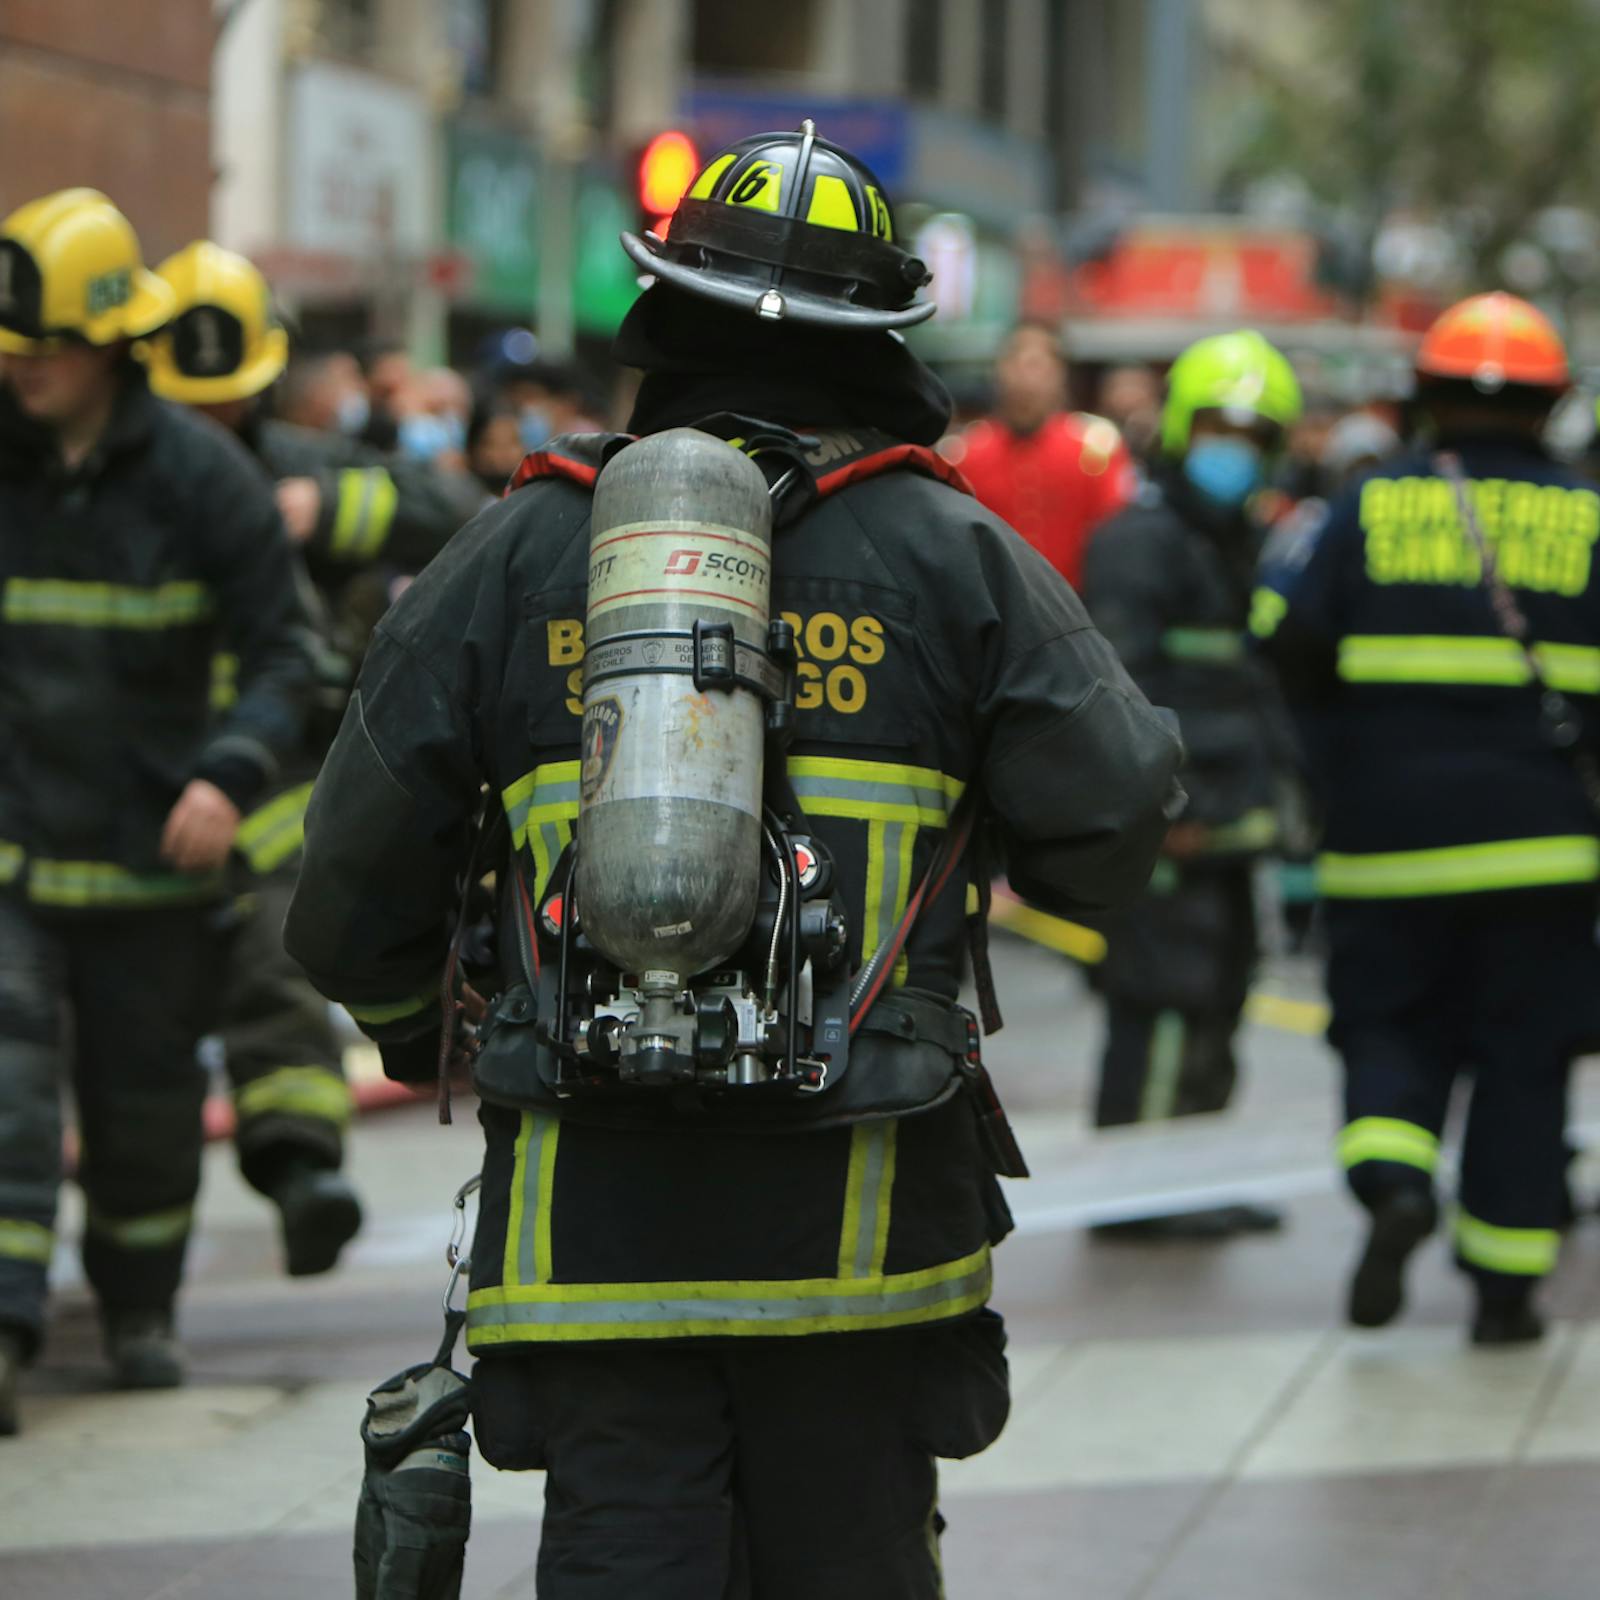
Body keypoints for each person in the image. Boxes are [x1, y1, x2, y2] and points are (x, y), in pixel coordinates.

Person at [285, 124, 1182, 1595]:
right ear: (882, 339)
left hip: (594, 1224)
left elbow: (348, 874)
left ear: (662, 317)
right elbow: (1123, 804)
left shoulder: (517, 552)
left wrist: (412, 1018)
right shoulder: (954, 556)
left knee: (622, 1556)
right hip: (865, 1224)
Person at [0, 191, 309, 1429]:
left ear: (111, 343)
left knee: (142, 1114)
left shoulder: (203, 482)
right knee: (6, 1090)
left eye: (41, 348)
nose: (19, 369)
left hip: (150, 866)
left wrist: (226, 775)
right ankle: (9, 1323)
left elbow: (285, 653)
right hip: (15, 856)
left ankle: (138, 1309)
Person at [1257, 292, 1600, 1344]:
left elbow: (1283, 638)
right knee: (1522, 1061)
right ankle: (1502, 1297)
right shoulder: (1589, 516)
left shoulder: (1364, 505)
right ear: (1549, 404)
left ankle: (1394, 1182)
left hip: (1384, 846)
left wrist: (1336, 766)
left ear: (1425, 397)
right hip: (1543, 851)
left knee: (1388, 1027)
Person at [139, 240, 481, 1277]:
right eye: (187, 407)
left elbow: (460, 519)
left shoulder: (301, 467)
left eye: (229, 404)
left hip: (279, 774)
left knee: (279, 958)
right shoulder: (109, 482)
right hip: (134, 775)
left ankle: (299, 1171)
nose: (210, 430)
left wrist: (327, 513)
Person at [1079, 330, 1305, 1239]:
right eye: (1219, 428)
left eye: (1255, 435)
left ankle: (1194, 1178)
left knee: (1218, 994)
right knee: (1163, 1004)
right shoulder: (1140, 542)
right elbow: (1119, 692)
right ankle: (1139, 1195)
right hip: (1172, 832)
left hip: (1229, 832)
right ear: (1179, 429)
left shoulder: (1241, 545)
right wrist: (1160, 810)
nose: (1234, 451)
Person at [952, 321, 1138, 588]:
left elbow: (1119, 538)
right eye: (1016, 360)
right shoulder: (964, 454)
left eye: (1039, 363)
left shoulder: (1097, 449)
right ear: (998, 371)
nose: (1026, 375)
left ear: (1062, 374)